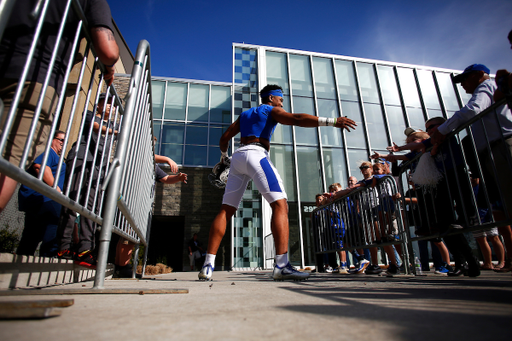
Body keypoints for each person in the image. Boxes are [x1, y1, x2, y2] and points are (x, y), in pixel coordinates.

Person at [198, 84, 357, 281]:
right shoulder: (272, 110)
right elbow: (297, 119)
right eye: (280, 99)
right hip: (257, 154)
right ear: (271, 98)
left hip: (238, 157)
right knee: (280, 204)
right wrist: (332, 121)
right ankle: (281, 265)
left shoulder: (245, 115)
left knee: (225, 210)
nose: (282, 102)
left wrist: (224, 157)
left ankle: (207, 265)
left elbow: (224, 138)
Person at [0, 0, 119, 214]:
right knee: (9, 159)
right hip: (36, 76)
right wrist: (109, 68)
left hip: (10, 60)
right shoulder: (91, 115)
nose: (110, 108)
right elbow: (108, 51)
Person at [429, 63, 512, 273]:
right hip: (492, 149)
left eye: (465, 79)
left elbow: (474, 109)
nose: (463, 84)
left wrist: (444, 129)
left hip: (502, 145)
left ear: (478, 75)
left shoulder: (486, 86)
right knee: (503, 209)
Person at [57, 93, 118, 268]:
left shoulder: (113, 125)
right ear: (98, 105)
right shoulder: (90, 114)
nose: (109, 107)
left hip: (97, 168)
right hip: (81, 159)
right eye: (105, 103)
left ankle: (85, 250)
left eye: (113, 105)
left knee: (91, 206)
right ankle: (64, 247)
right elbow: (96, 127)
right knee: (72, 201)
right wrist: (117, 132)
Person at [113, 156, 187, 278]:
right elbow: (150, 155)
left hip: (139, 204)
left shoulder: (154, 167)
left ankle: (121, 266)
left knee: (129, 234)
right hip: (130, 199)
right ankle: (122, 267)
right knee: (127, 233)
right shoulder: (137, 156)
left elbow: (166, 178)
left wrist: (178, 178)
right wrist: (167, 159)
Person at [16, 130, 66, 257]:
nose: (63, 143)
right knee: (53, 225)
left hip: (42, 199)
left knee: (33, 233)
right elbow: (40, 166)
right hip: (46, 197)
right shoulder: (48, 151)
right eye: (61, 140)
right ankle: (48, 257)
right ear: (52, 139)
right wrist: (56, 190)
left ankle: (23, 258)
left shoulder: (56, 156)